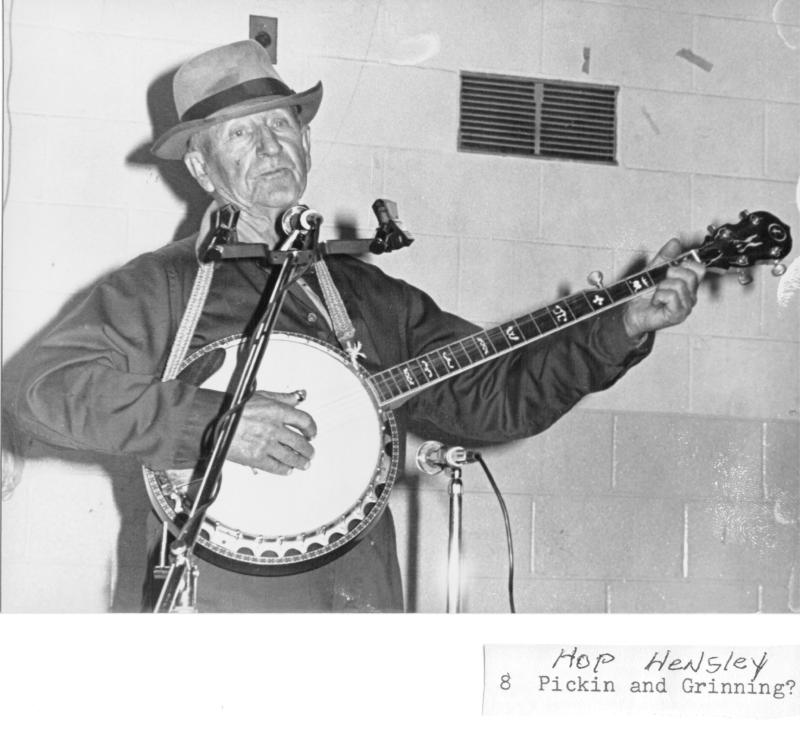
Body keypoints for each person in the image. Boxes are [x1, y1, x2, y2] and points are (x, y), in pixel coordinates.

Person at [13, 40, 704, 613]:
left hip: (361, 602)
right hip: (218, 611)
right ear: (202, 165)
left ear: (306, 140)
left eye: (283, 124)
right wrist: (216, 423)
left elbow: (492, 392)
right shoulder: (157, 288)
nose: (271, 145)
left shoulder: (367, 293)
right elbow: (42, 388)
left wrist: (617, 330)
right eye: (242, 134)